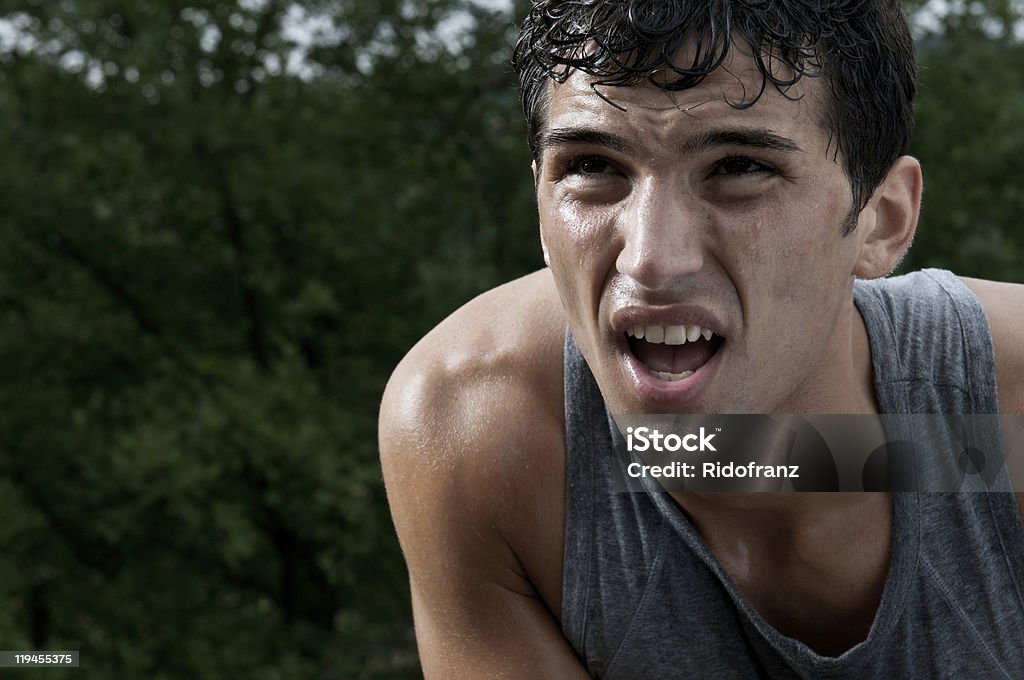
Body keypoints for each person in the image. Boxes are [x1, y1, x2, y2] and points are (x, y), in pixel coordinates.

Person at [379, 1, 1024, 677]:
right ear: (540, 204)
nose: (652, 258)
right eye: (593, 164)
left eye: (739, 167)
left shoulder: (1002, 410)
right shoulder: (482, 424)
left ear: (882, 219)